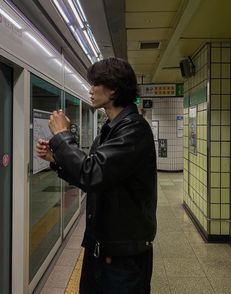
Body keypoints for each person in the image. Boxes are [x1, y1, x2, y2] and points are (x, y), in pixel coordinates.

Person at [36, 57, 157, 294]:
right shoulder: (109, 131)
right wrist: (57, 159)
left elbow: (91, 173)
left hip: (123, 259)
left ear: (113, 89)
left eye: (95, 84)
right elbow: (91, 176)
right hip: (101, 249)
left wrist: (62, 136)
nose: (90, 90)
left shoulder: (134, 129)